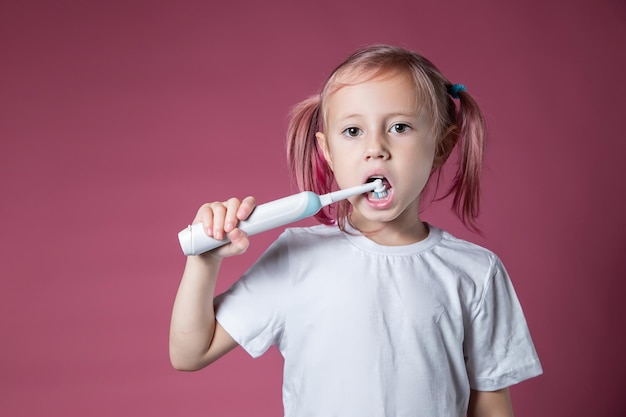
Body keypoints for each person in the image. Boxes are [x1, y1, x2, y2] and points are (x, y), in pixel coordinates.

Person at [169, 44, 542, 417]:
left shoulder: (476, 271)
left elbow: (491, 405)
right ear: (328, 151)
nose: (375, 148)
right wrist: (205, 262)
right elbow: (190, 353)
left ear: (441, 146)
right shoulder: (296, 256)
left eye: (399, 127)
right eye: (352, 131)